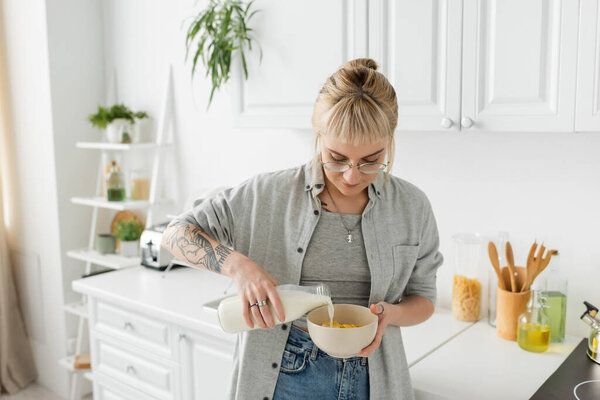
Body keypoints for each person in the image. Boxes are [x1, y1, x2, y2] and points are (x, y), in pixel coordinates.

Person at [162, 58, 443, 400]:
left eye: (371, 160)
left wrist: (388, 315)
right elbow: (175, 233)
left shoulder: (412, 207)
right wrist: (239, 267)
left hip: (374, 377)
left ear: (390, 140)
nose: (352, 176)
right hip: (287, 375)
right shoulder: (267, 194)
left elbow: (424, 299)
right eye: (336, 158)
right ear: (317, 135)